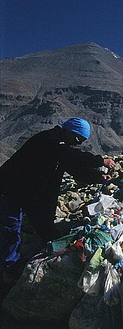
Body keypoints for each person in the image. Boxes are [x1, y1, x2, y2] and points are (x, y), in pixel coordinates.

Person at [0, 117, 115, 281]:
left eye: (81, 141)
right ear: (68, 132)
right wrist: (101, 160)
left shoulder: (62, 147)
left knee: (45, 224)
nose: (77, 143)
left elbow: (76, 169)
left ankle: (48, 250)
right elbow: (72, 155)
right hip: (11, 189)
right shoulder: (49, 140)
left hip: (31, 194)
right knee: (11, 230)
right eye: (78, 139)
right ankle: (9, 268)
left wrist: (99, 177)